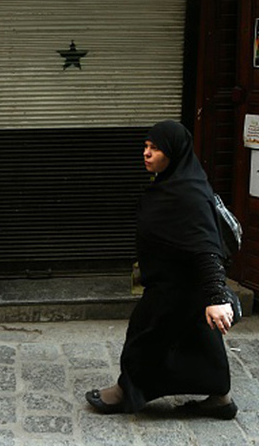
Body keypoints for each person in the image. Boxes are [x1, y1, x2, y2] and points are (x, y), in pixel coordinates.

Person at [85, 120, 237, 419]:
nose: (146, 153)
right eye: (145, 146)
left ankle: (126, 392)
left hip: (178, 287)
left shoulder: (188, 194)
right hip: (175, 283)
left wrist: (217, 297)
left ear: (174, 152)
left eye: (155, 148)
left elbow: (206, 247)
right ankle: (220, 398)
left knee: (144, 336)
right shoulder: (173, 182)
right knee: (201, 340)